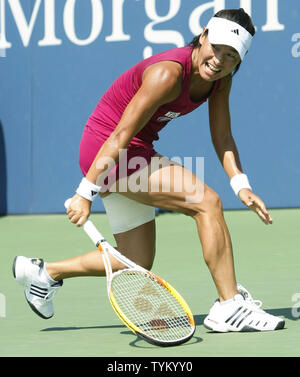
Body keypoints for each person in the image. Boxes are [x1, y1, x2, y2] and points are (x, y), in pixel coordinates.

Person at [13, 8, 284, 332]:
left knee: (136, 260)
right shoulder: (168, 74)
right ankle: (228, 306)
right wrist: (85, 191)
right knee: (206, 202)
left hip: (128, 152)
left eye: (231, 56)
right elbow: (120, 135)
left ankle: (46, 274)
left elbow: (222, 135)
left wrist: (241, 184)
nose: (219, 60)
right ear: (203, 36)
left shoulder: (219, 81)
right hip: (110, 149)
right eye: (217, 48)